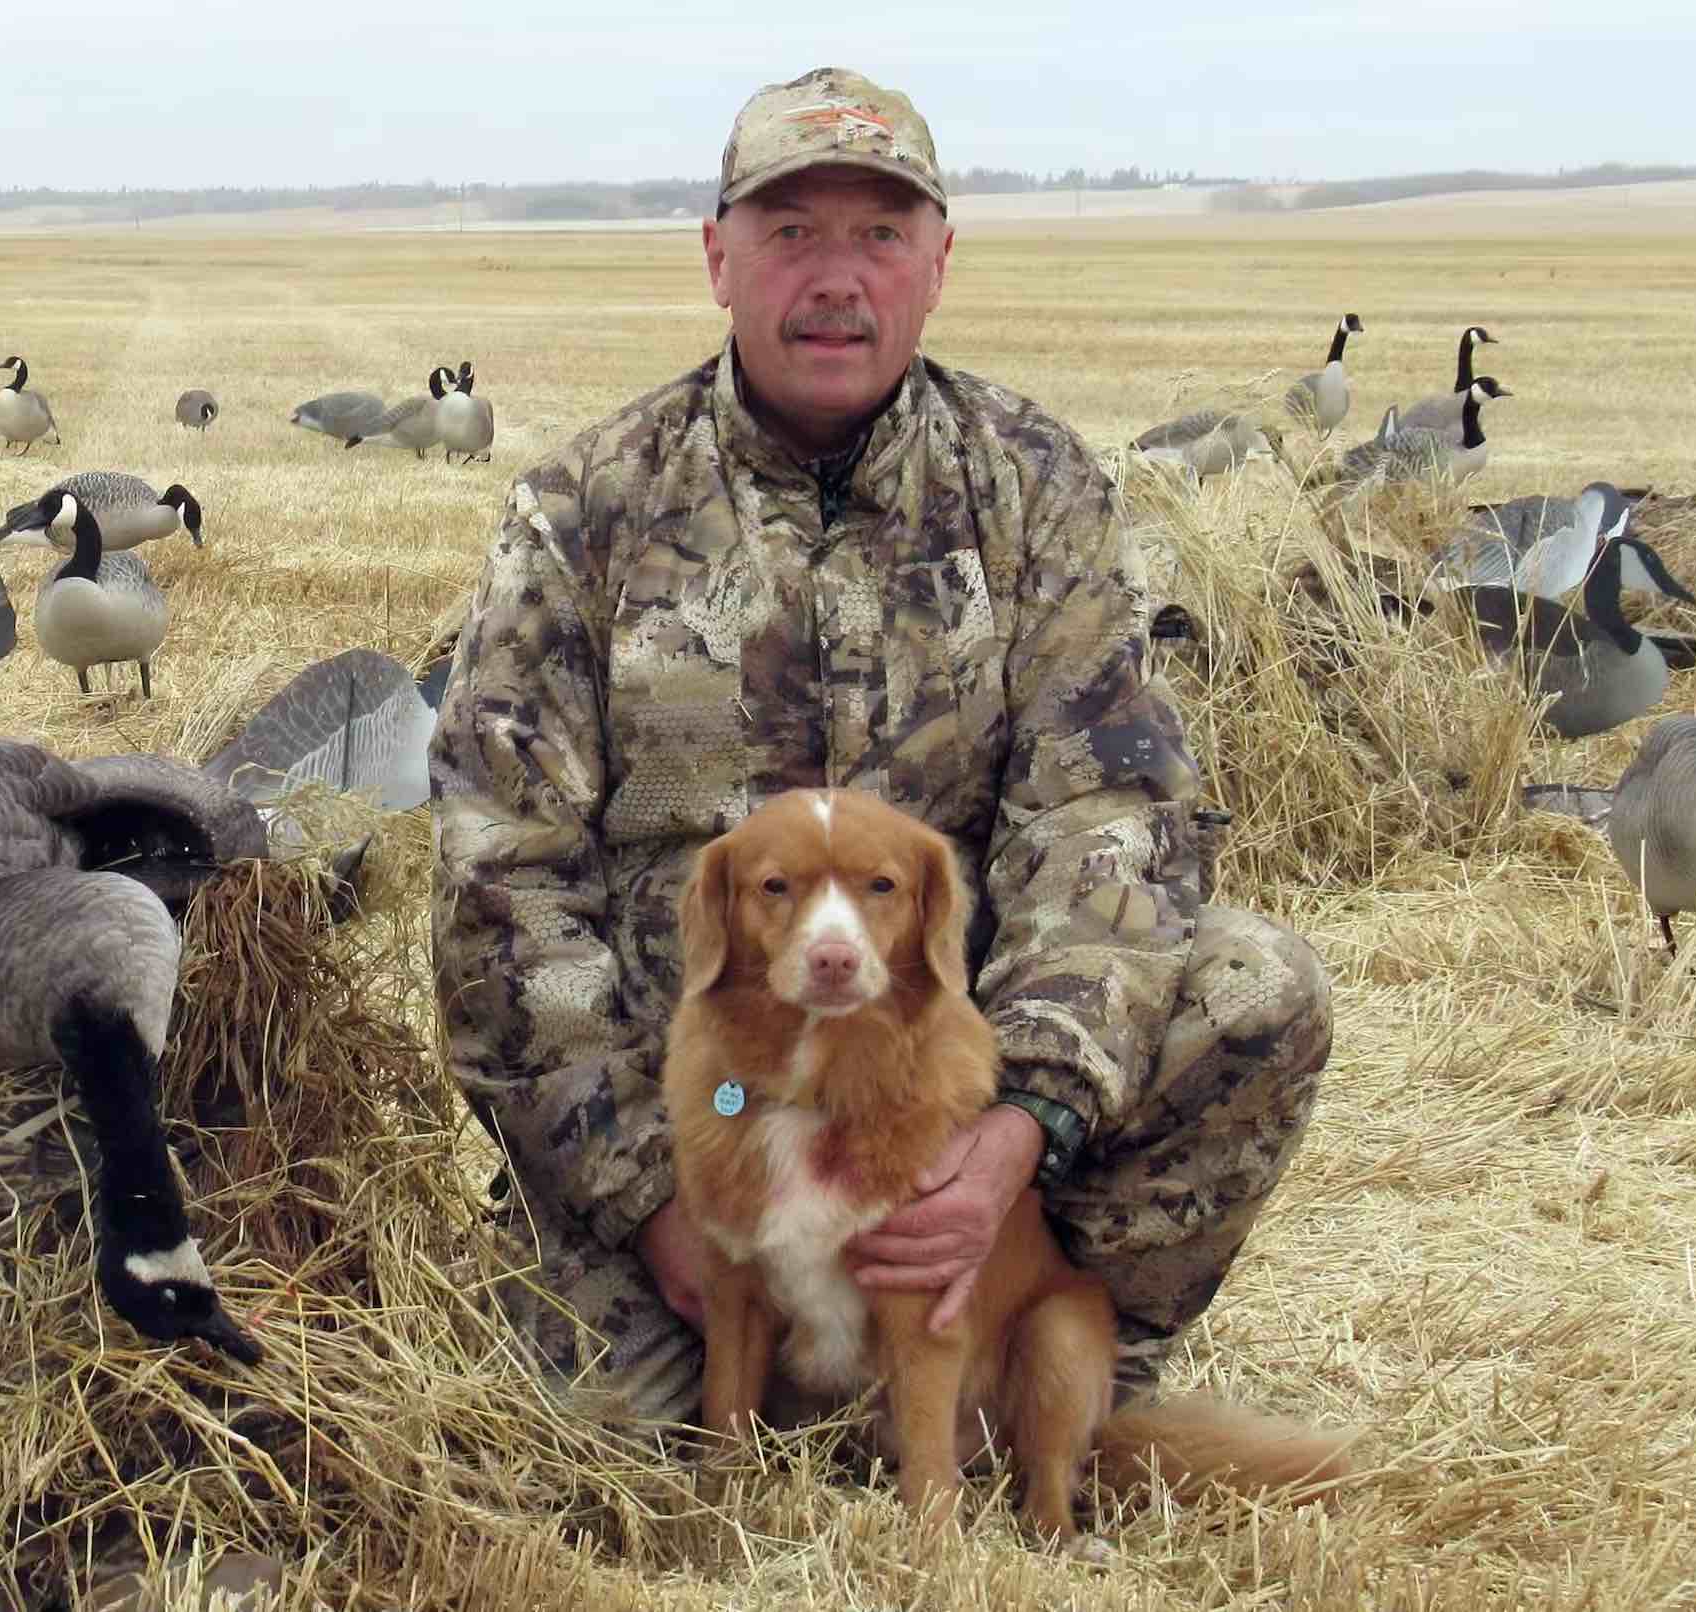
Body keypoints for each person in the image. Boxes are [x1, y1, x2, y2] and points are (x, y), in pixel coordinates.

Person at [429, 66, 1332, 1428]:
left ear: (939, 263)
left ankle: (1045, 1371)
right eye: (791, 231)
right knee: (582, 1451)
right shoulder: (584, 511)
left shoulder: (1036, 489)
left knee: (1255, 989)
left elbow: (1108, 821)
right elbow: (500, 881)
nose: (836, 279)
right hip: (702, 1124)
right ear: (719, 257)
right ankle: (761, 1355)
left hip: (941, 1100)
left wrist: (1017, 1132)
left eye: (881, 235)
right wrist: (654, 1198)